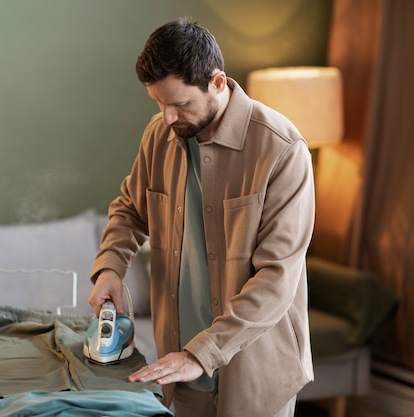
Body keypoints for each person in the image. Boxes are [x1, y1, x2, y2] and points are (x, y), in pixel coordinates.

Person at [88, 17, 315, 417]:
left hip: (256, 375)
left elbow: (277, 279)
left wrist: (202, 353)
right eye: (159, 103)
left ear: (217, 82)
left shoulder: (282, 150)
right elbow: (129, 209)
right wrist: (110, 267)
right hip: (181, 368)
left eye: (180, 104)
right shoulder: (161, 134)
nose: (168, 117)